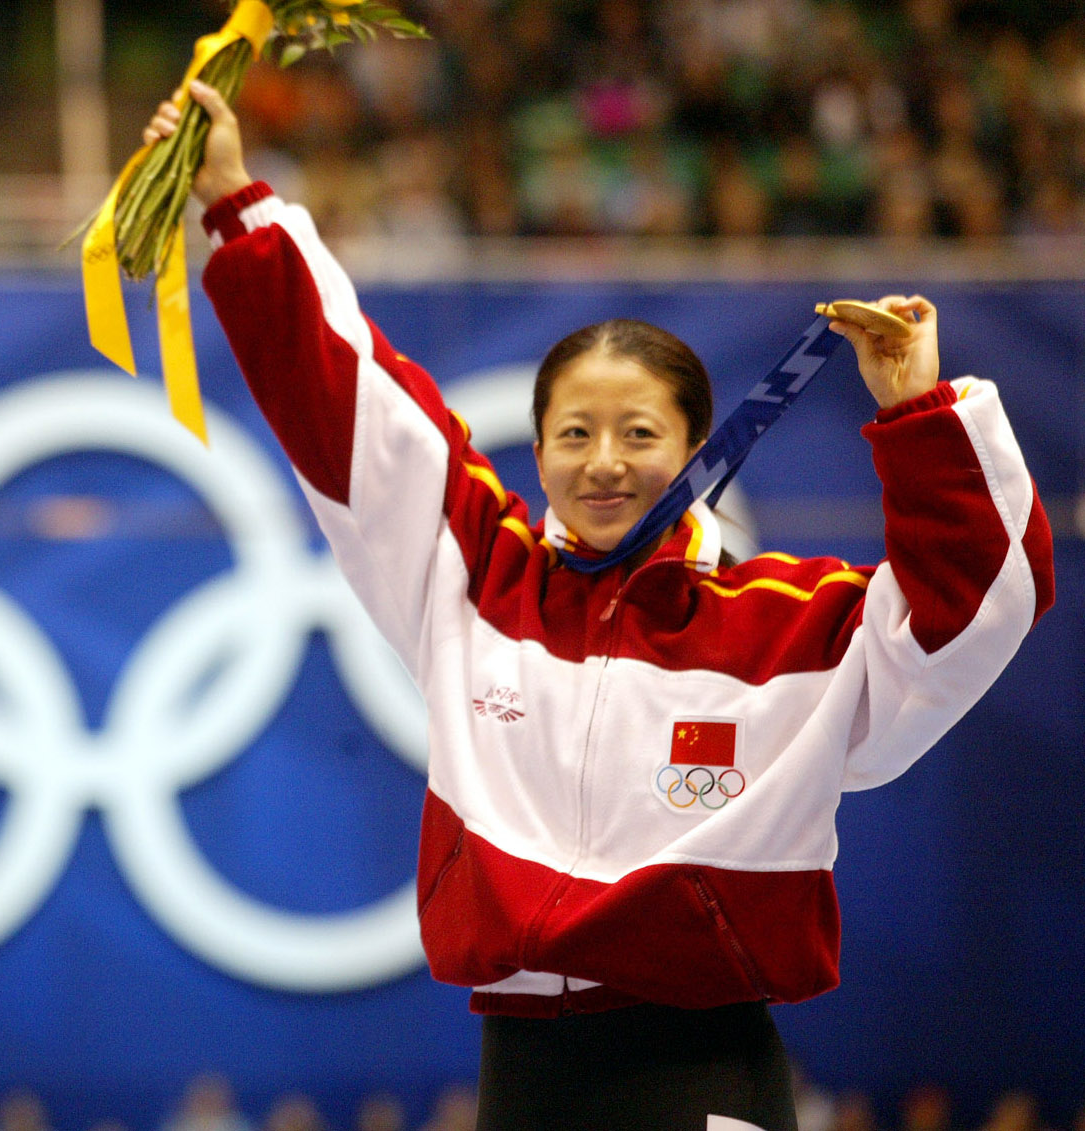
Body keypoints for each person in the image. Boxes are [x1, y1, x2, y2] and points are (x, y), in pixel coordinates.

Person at [143, 78, 1056, 1131]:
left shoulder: (794, 622)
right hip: (520, 1074)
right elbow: (349, 403)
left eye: (639, 433)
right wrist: (237, 201)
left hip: (705, 1069)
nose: (605, 462)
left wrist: (920, 411)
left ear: (700, 449)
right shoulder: (475, 581)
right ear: (535, 453)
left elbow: (982, 601)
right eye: (575, 434)